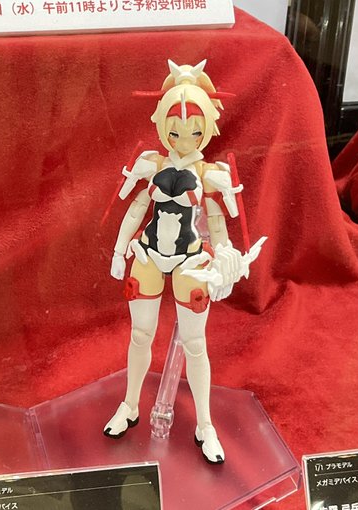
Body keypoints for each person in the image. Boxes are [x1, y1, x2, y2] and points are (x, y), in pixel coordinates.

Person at [105, 60, 252, 464]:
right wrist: (118, 250)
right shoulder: (152, 164)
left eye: (194, 131)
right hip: (148, 254)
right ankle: (130, 404)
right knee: (140, 334)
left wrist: (225, 260)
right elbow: (136, 209)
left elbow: (218, 222)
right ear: (160, 125)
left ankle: (205, 423)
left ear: (208, 128)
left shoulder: (209, 173)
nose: (184, 138)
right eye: (175, 131)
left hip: (190, 260)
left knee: (195, 343)